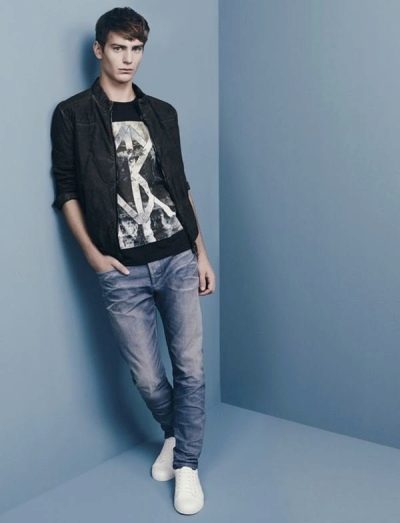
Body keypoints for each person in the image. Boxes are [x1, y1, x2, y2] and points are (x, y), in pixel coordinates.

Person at [50, 7, 215, 516]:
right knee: (147, 376)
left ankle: (187, 464)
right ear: (99, 49)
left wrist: (201, 253)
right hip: (121, 270)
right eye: (118, 47)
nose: (128, 59)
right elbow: (67, 190)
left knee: (190, 367)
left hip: (177, 256)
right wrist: (93, 256)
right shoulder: (73, 114)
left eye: (136, 49)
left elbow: (180, 186)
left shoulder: (162, 112)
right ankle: (175, 434)